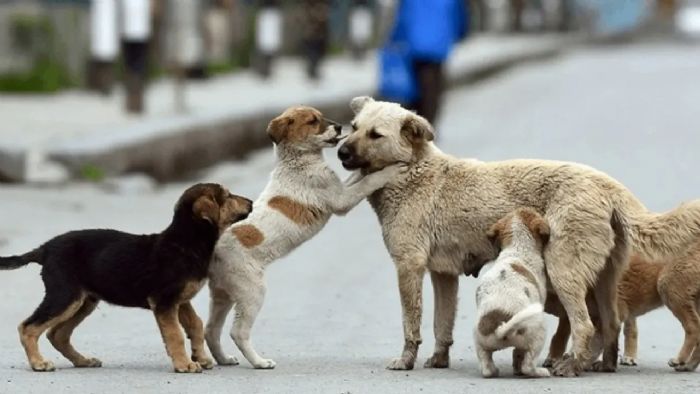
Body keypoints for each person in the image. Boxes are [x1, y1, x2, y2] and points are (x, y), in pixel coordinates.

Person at [380, 0, 467, 126]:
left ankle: (416, 122)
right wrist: (459, 34)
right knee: (434, 88)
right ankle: (428, 124)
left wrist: (394, 38)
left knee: (417, 87)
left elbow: (403, 17)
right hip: (439, 43)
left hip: (415, 44)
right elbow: (459, 16)